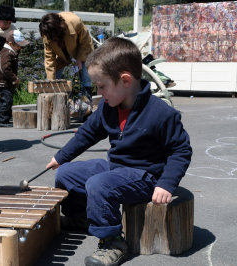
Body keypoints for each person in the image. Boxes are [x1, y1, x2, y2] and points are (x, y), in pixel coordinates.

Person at [45, 37, 192, 266]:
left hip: (145, 176)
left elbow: (180, 150)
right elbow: (87, 133)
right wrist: (60, 157)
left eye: (102, 86)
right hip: (115, 168)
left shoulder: (161, 114)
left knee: (99, 184)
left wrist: (166, 184)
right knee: (66, 174)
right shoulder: (108, 106)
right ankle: (80, 217)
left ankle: (112, 241)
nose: (98, 92)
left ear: (125, 80)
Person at [39, 12, 94, 99]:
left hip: (81, 49)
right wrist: (51, 82)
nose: (52, 38)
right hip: (61, 54)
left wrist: (79, 59)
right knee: (52, 76)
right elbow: (49, 59)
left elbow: (85, 43)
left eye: (53, 36)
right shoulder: (47, 33)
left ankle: (87, 100)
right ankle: (54, 100)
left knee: (85, 75)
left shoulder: (75, 22)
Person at [0, 30, 29, 127]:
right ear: (10, 43)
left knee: (5, 100)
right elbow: (5, 69)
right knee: (7, 100)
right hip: (2, 82)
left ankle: (0, 118)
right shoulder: (7, 53)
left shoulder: (9, 52)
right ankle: (1, 120)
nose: (20, 47)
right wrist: (14, 79)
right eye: (19, 45)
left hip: (4, 82)